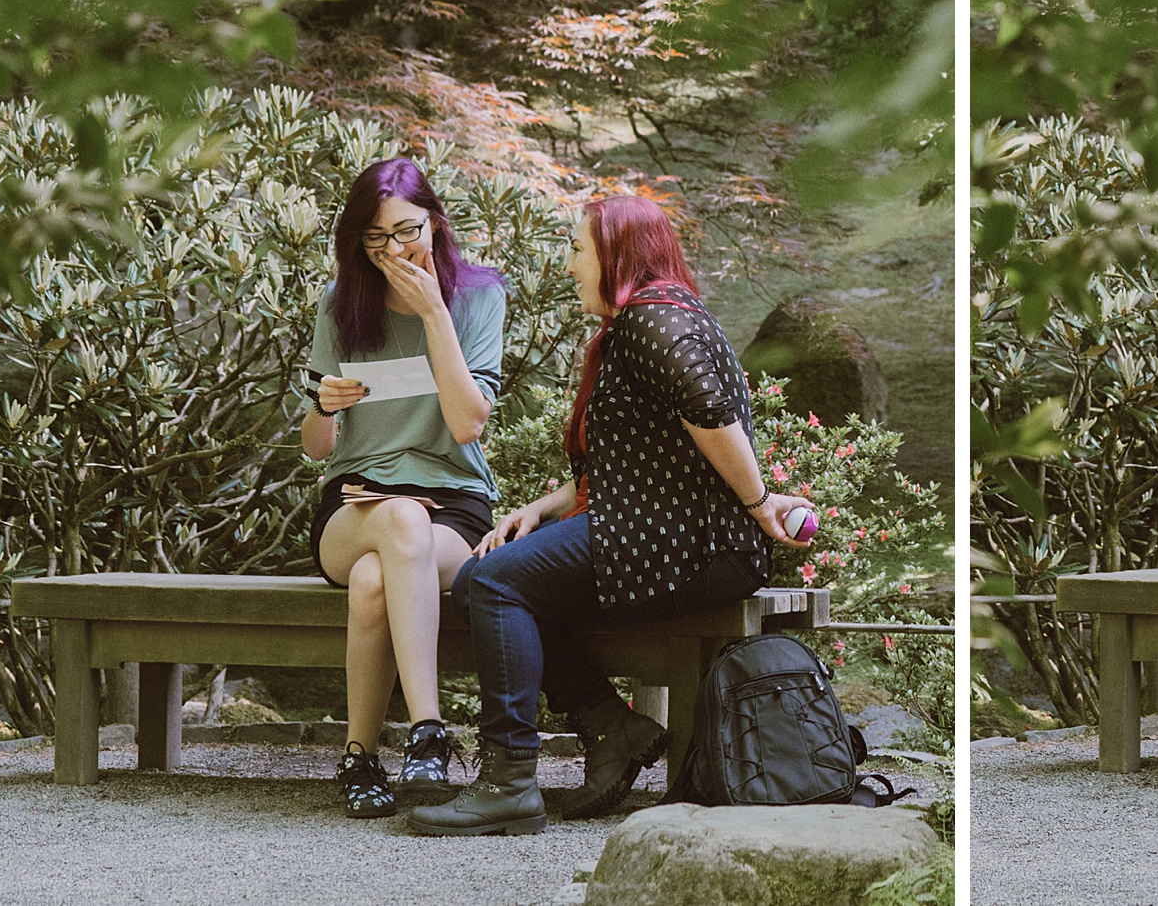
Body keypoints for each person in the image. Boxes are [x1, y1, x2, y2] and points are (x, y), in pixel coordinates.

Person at [409, 195, 814, 836]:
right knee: (497, 578)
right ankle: (611, 727)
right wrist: (540, 511)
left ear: (617, 254)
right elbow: (637, 463)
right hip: (666, 534)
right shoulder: (665, 314)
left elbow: (709, 413)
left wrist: (760, 502)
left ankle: (509, 782)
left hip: (688, 544)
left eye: (576, 249)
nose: (569, 265)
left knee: (487, 582)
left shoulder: (652, 321)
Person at [302, 157, 507, 818]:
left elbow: (467, 421)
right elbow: (316, 449)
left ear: (436, 223)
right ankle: (429, 731)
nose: (392, 250)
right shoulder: (340, 307)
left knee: (374, 578)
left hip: (453, 506)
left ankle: (360, 756)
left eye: (405, 231)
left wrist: (433, 314)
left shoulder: (478, 297)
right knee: (396, 521)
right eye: (374, 238)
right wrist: (323, 406)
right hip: (355, 503)